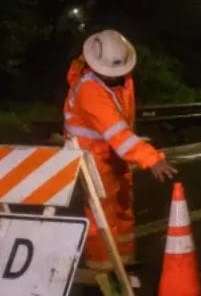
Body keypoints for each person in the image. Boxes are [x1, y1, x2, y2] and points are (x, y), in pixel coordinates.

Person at [63, 29, 177, 269]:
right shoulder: (89, 90)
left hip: (112, 154)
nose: (117, 75)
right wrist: (152, 158)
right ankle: (104, 269)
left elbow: (122, 131)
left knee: (123, 206)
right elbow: (117, 133)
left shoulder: (122, 82)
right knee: (102, 216)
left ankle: (123, 262)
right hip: (91, 156)